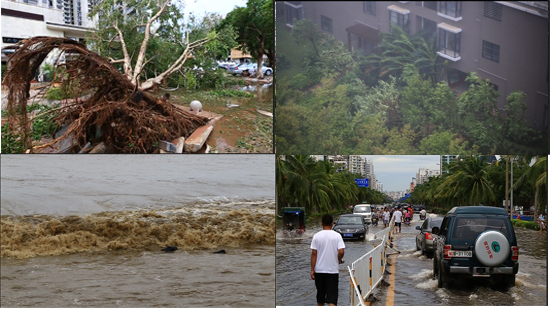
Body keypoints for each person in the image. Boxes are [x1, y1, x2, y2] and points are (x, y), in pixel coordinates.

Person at [311, 214, 345, 306]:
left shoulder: (316, 236)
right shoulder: (337, 236)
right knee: (332, 298)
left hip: (319, 271)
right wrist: (338, 259)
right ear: (332, 224)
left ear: (321, 224)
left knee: (320, 297)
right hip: (332, 271)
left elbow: (314, 254)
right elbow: (341, 252)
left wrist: (312, 270)